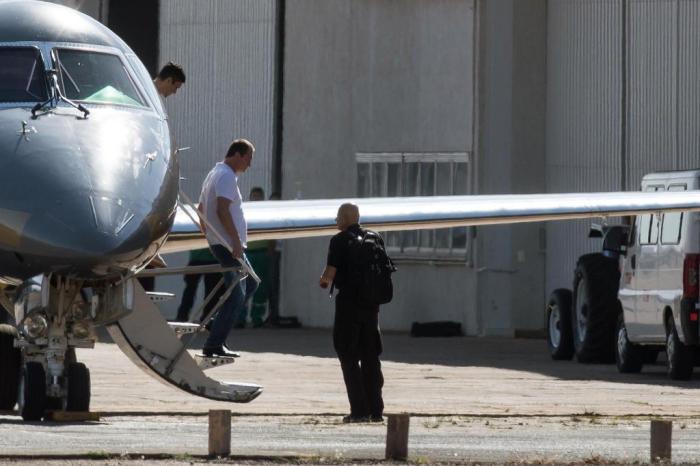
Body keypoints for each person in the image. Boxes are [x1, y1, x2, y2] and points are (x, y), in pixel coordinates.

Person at [319, 203, 384, 423]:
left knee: (347, 355)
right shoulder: (375, 238)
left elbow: (329, 275)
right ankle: (376, 410)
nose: (336, 219)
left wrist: (323, 281)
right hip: (372, 306)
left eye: (338, 216)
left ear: (346, 218)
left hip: (349, 305)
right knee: (370, 356)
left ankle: (359, 410)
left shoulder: (338, 241)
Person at [198, 138, 258, 357]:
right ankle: (214, 344)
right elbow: (223, 210)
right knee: (236, 294)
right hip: (228, 245)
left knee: (250, 283)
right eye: (248, 158)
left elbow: (201, 208)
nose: (249, 164)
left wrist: (208, 234)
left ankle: (217, 322)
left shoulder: (215, 173)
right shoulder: (225, 176)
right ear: (238, 155)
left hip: (225, 243)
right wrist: (232, 241)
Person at [245, 186, 272, 327]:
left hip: (262, 252)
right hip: (247, 253)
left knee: (260, 287)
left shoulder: (266, 212)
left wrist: (270, 249)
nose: (256, 199)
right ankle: (239, 319)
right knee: (244, 286)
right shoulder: (244, 211)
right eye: (253, 196)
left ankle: (257, 318)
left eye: (258, 196)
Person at [174, 248, 224, 323]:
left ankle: (182, 316)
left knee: (190, 290)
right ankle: (207, 318)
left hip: (196, 259)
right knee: (212, 292)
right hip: (212, 260)